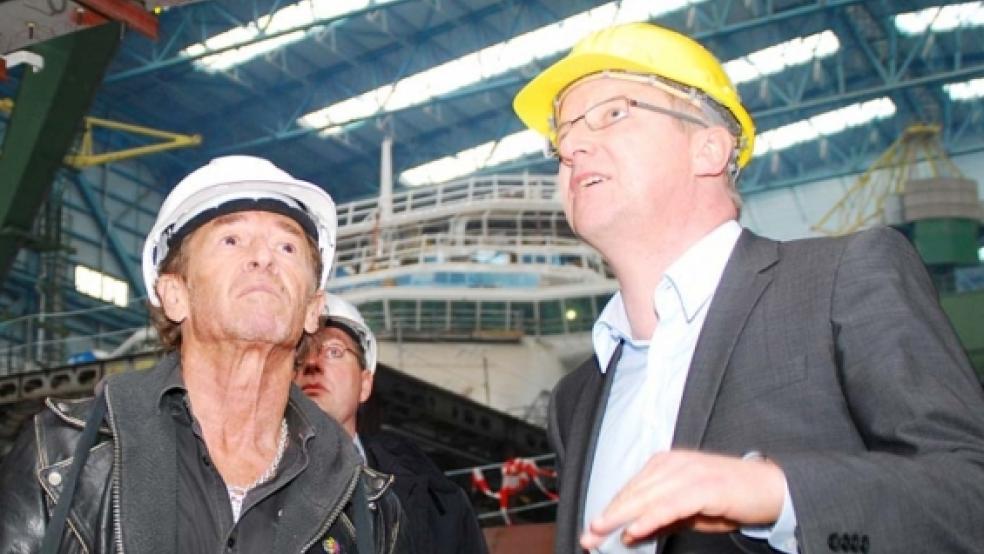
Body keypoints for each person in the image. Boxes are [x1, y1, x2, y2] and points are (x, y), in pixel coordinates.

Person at [512, 22, 984, 554]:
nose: (571, 145)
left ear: (709, 149)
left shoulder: (841, 279)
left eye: (614, 113)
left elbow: (971, 497)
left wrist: (779, 494)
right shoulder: (575, 398)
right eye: (562, 136)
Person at [0, 156, 410, 553]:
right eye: (231, 239)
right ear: (175, 295)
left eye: (287, 247)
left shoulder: (366, 509)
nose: (264, 257)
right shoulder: (63, 455)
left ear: (311, 310)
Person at [295, 294, 489, 554]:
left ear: (365, 384)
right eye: (299, 352)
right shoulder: (244, 484)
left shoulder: (436, 498)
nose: (312, 364)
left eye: (333, 352)